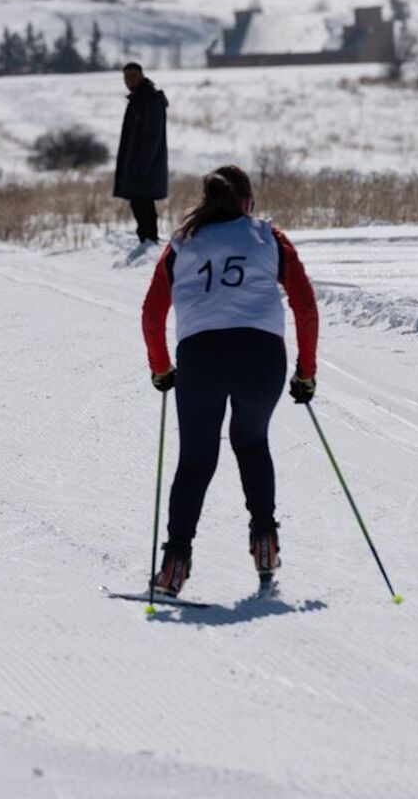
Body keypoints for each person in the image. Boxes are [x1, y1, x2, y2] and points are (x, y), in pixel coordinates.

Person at [140, 165, 319, 598]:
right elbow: (305, 305)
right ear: (247, 202)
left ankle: (174, 567)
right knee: (252, 443)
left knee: (196, 460)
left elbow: (151, 313)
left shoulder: (181, 244)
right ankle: (265, 541)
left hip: (201, 357)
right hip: (261, 357)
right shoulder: (268, 237)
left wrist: (161, 367)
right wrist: (306, 371)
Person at [114, 62, 169, 248]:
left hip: (145, 166)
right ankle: (146, 241)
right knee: (139, 203)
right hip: (137, 164)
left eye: (133, 76)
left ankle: (149, 242)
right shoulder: (138, 99)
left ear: (142, 75)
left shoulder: (150, 100)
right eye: (126, 77)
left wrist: (141, 167)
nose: (129, 80)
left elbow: (152, 136)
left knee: (143, 203)